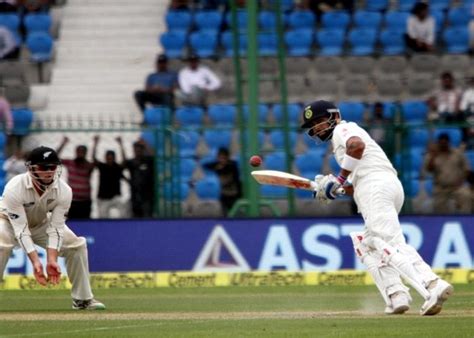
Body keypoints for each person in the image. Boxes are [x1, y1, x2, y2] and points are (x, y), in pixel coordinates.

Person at [301, 100, 453, 316]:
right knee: (365, 243)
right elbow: (356, 183)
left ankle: (432, 285)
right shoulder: (342, 140)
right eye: (312, 126)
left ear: (334, 117)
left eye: (318, 121)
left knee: (389, 242)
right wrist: (334, 189)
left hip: (376, 187)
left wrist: (339, 178)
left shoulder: (343, 129)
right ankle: (396, 294)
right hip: (380, 187)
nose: (316, 128)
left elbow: (357, 146)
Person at [0, 146, 105, 310]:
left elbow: (56, 228)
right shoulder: (14, 187)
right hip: (7, 222)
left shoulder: (64, 191)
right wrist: (35, 261)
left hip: (41, 222)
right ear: (31, 168)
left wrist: (51, 260)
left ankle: (83, 300)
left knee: (76, 246)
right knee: (1, 246)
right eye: (43, 167)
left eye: (52, 167)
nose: (49, 172)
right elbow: (21, 230)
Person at [423, 133, 471, 214]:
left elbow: (466, 169)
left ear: (448, 143)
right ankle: (442, 221)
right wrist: (433, 156)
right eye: (441, 143)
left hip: (457, 187)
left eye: (445, 143)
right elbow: (428, 169)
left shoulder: (457, 154)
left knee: (466, 196)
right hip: (440, 188)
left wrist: (461, 181)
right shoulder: (432, 155)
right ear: (438, 143)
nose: (443, 145)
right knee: (438, 205)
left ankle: (465, 219)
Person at [57, 137, 95, 219]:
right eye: (79, 152)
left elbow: (94, 161)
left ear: (85, 153)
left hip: (85, 202)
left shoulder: (88, 165)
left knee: (85, 223)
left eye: (82, 152)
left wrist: (95, 144)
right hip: (72, 201)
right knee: (71, 223)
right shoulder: (70, 163)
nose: (80, 153)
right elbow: (54, 158)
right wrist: (63, 143)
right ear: (76, 152)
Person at [117, 137, 155, 218]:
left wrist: (146, 144)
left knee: (147, 216)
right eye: (136, 150)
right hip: (135, 195)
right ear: (133, 150)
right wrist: (128, 181)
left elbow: (154, 156)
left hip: (147, 196)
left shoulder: (147, 160)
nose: (138, 151)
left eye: (140, 150)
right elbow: (120, 170)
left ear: (142, 150)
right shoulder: (131, 162)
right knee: (136, 216)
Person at [92, 135, 127, 218]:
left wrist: (121, 144)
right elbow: (94, 158)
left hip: (115, 197)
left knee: (123, 214)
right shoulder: (102, 167)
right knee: (102, 217)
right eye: (108, 158)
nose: (110, 160)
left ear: (114, 158)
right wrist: (95, 143)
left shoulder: (117, 167)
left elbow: (124, 161)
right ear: (105, 158)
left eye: (111, 158)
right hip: (103, 198)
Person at [202, 147, 242, 215]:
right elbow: (205, 165)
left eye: (223, 158)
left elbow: (236, 179)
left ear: (227, 158)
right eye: (220, 158)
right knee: (225, 214)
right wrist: (216, 166)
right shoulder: (217, 165)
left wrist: (220, 168)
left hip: (234, 194)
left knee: (235, 214)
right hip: (224, 194)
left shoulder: (232, 165)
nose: (221, 160)